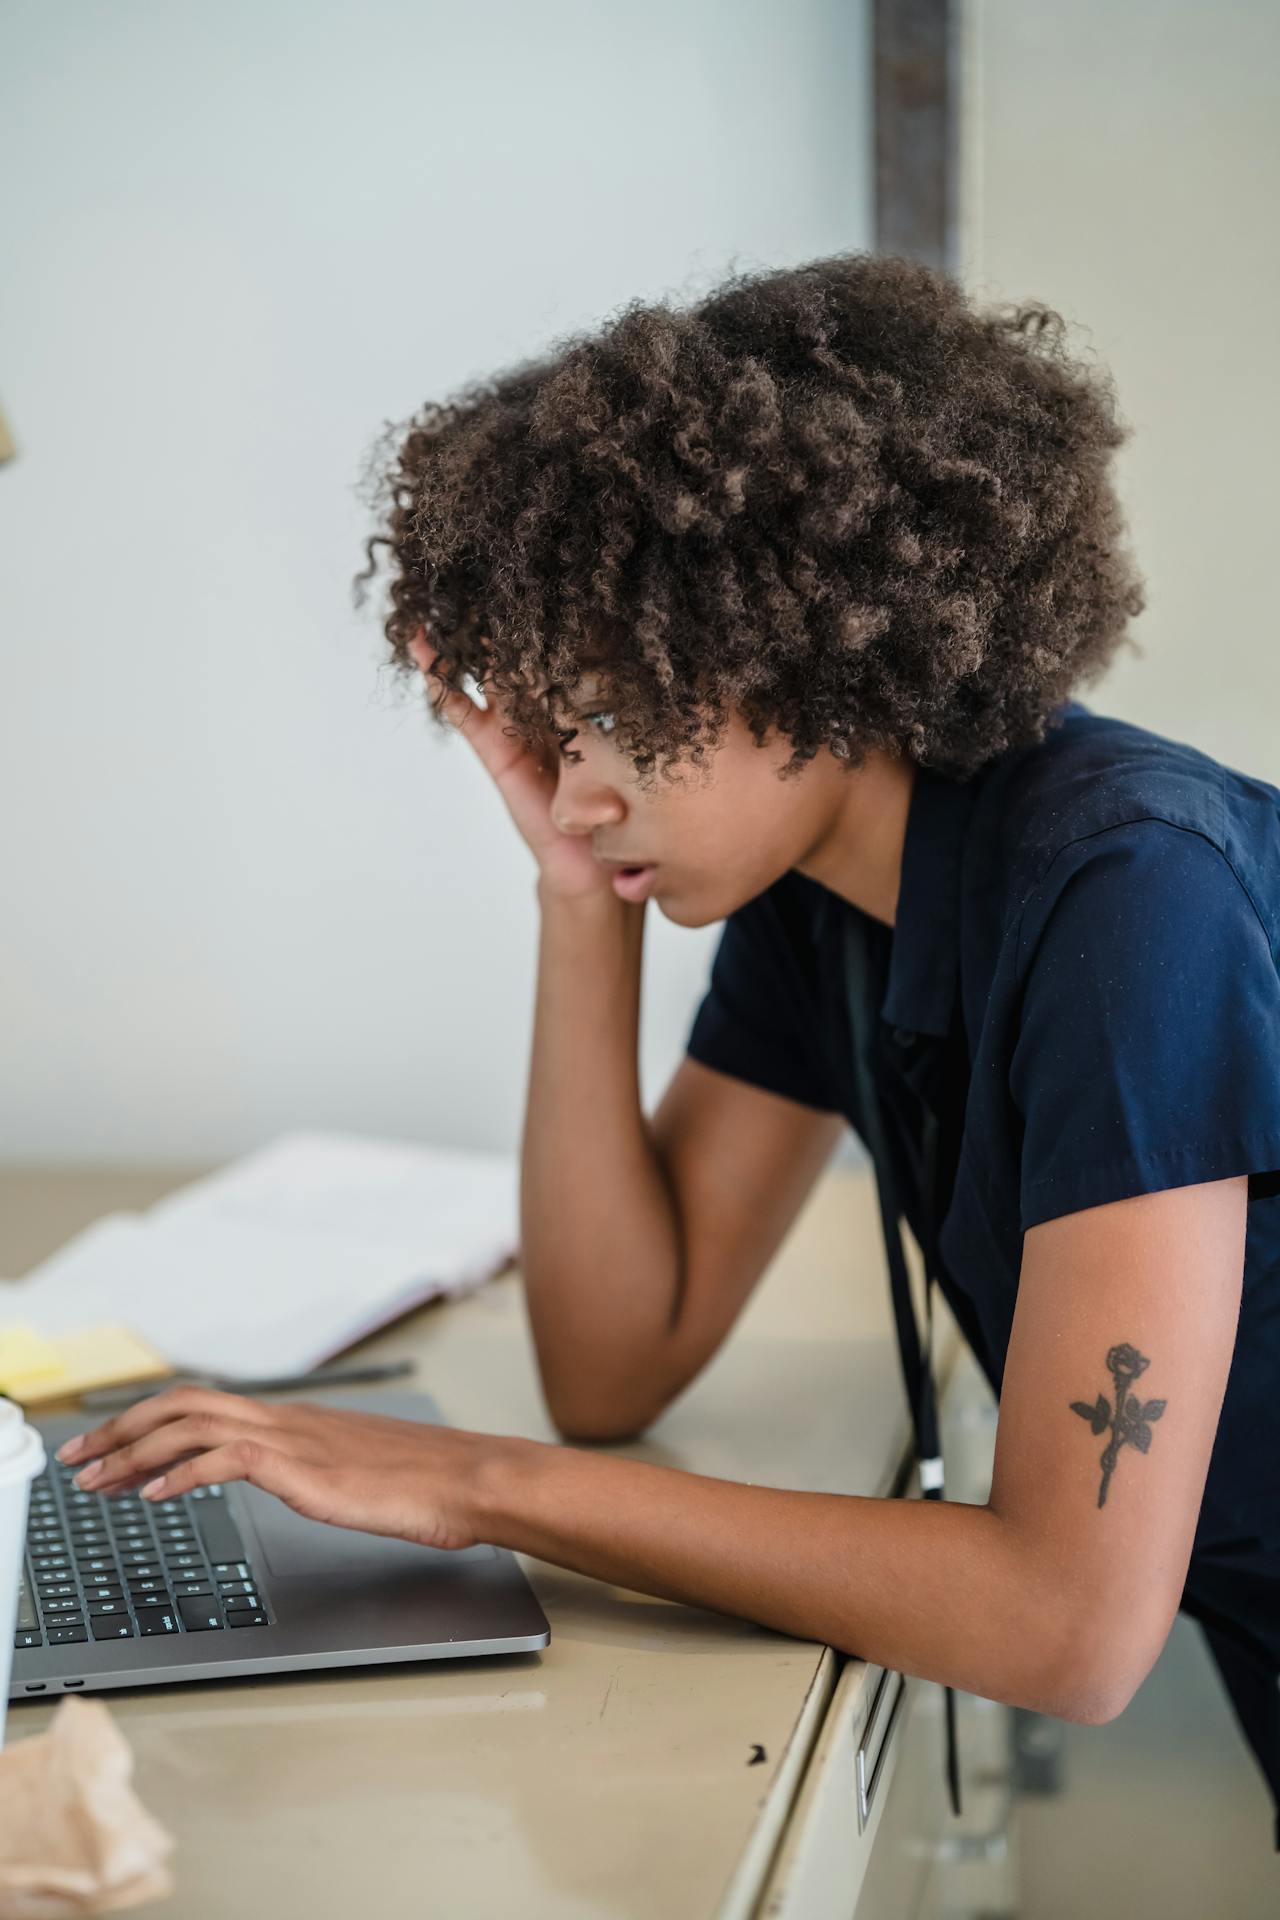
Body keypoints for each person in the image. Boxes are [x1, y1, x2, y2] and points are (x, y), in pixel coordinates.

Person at [56, 253, 1280, 1846]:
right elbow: (616, 1357)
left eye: (617, 721)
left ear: (803, 643)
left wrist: (467, 1489)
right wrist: (584, 909)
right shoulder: (829, 896)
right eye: (559, 736)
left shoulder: (1132, 895)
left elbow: (1070, 1625)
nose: (575, 791)